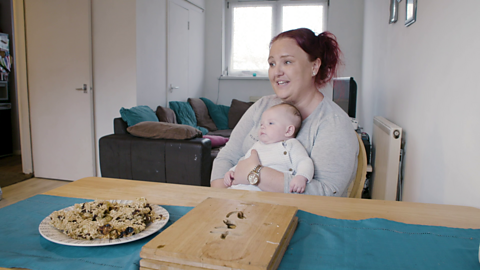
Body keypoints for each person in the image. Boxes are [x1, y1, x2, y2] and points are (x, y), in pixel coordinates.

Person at [211, 28, 358, 196]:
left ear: (314, 66)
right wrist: (222, 200)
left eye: (287, 62)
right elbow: (226, 157)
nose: (276, 72)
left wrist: (256, 173)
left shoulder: (334, 123)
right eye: (272, 64)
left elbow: (326, 194)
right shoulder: (262, 106)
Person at [224, 103, 314, 193]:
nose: (263, 126)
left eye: (270, 123)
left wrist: (301, 177)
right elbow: (244, 162)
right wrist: (232, 172)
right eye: (261, 124)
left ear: (288, 130)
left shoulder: (291, 145)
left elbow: (304, 161)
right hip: (240, 190)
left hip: (267, 193)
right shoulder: (257, 146)